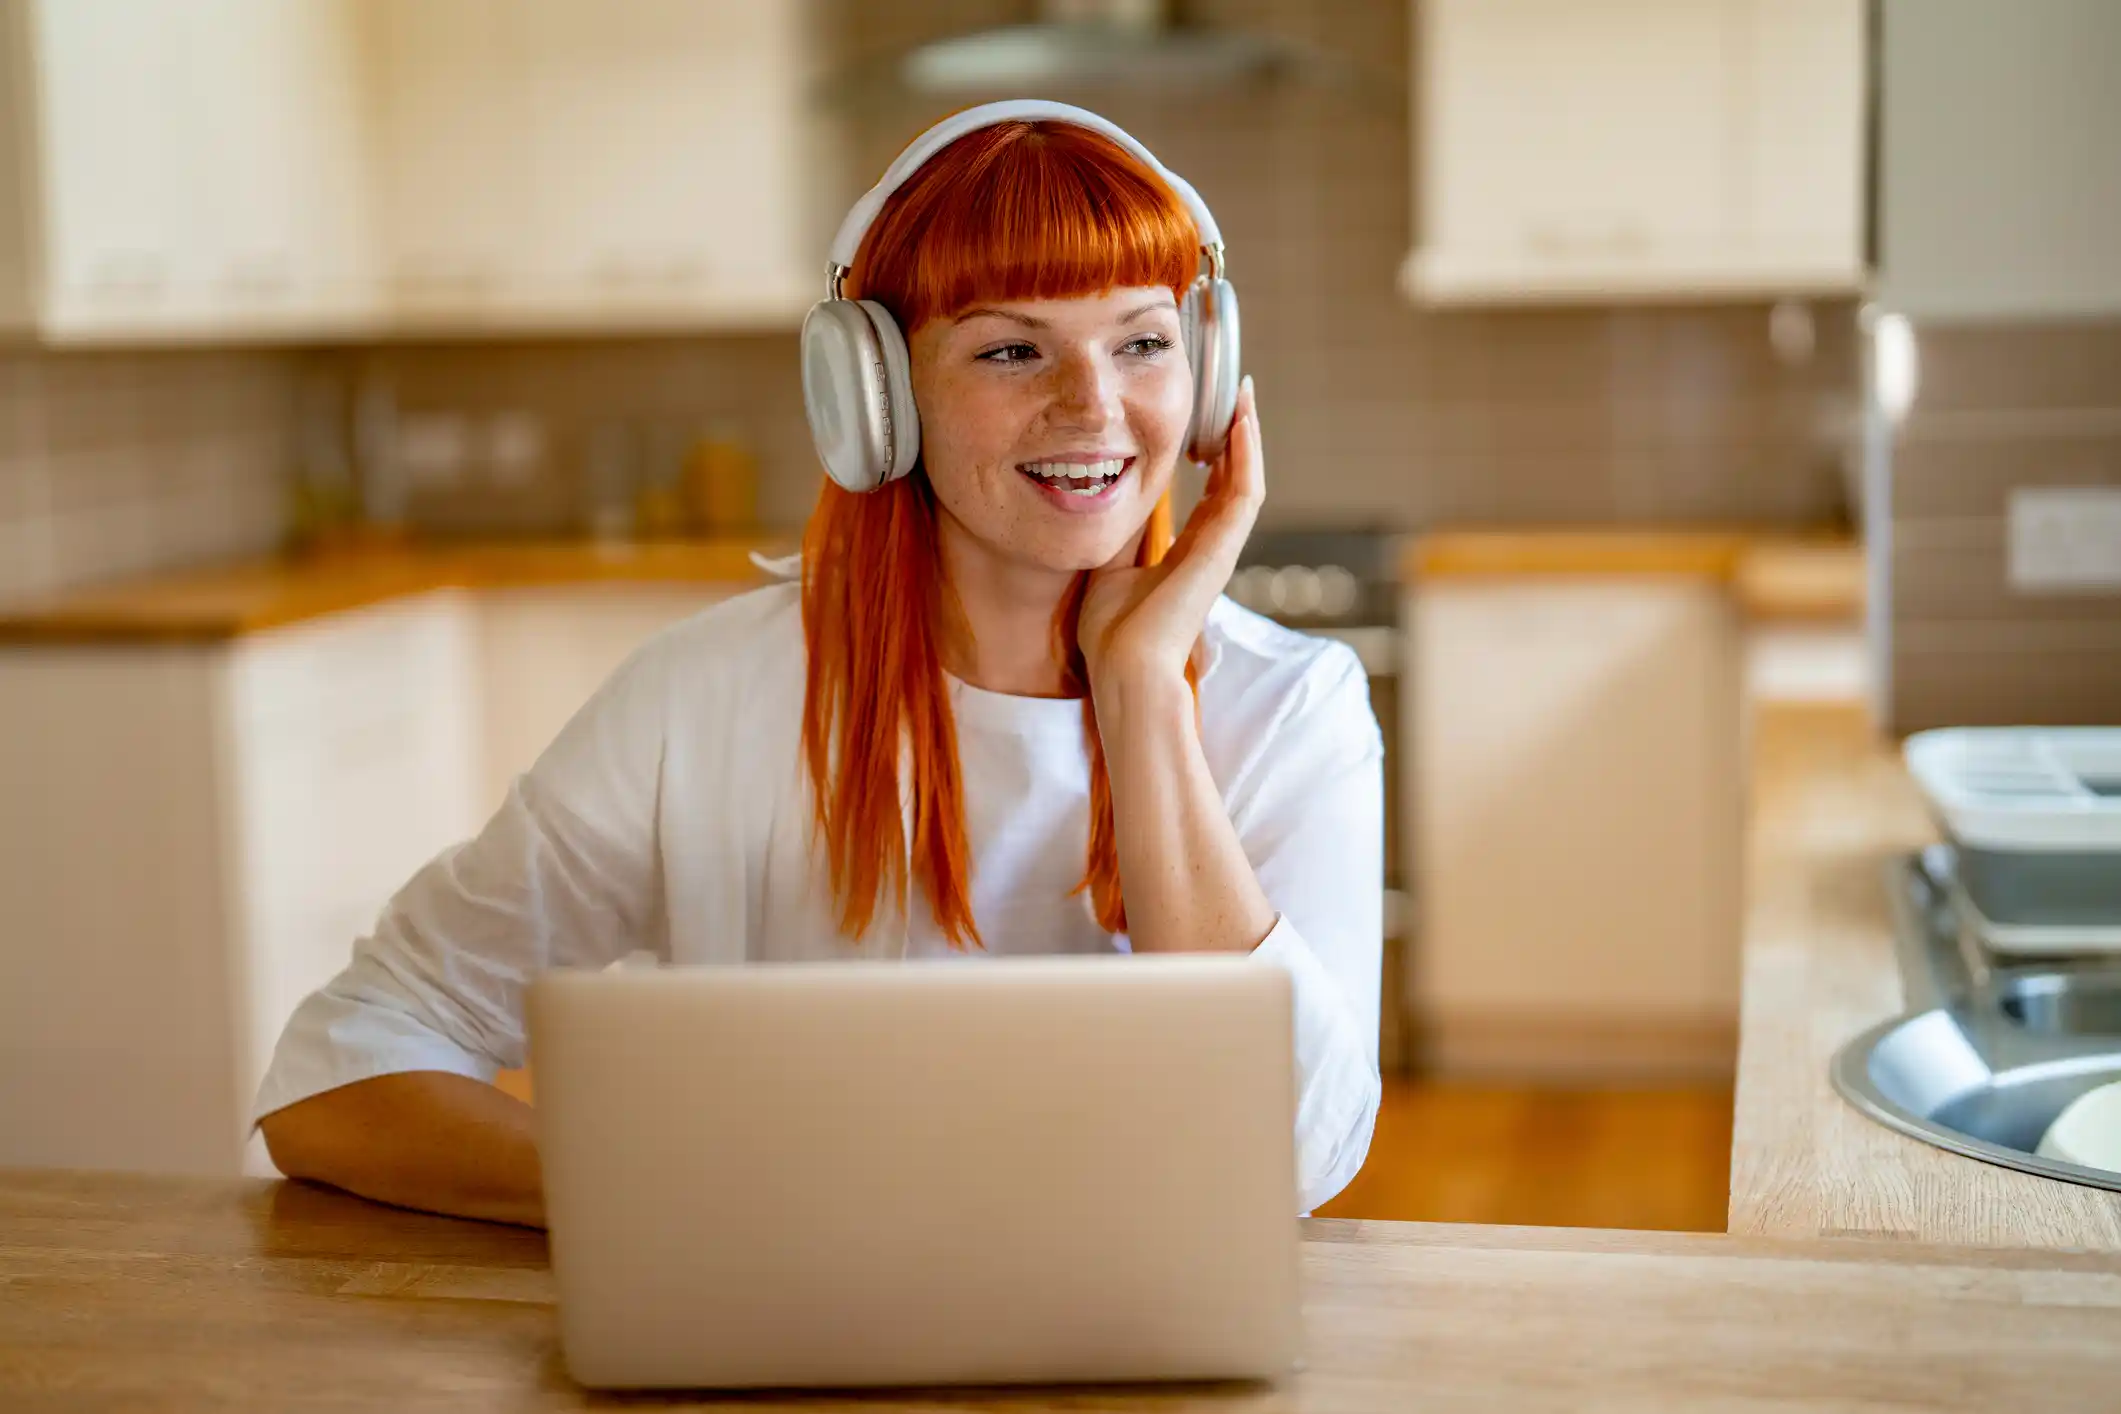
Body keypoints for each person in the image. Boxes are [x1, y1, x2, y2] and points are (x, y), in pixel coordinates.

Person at [255, 103, 1383, 1226]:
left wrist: (1142, 691)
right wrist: (659, 1196)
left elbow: (1291, 1158)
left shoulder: (1288, 710)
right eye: (1010, 349)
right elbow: (340, 1068)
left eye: (1142, 341)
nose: (1092, 407)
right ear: (875, 396)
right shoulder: (700, 701)